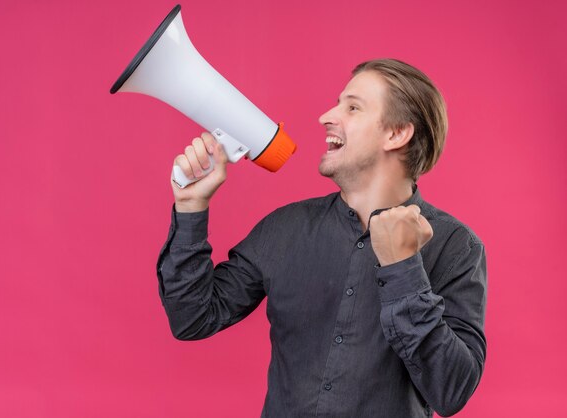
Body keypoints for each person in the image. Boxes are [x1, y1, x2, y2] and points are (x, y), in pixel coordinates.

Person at [157, 59, 487, 417]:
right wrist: (190, 207)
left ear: (396, 134)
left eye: (353, 107)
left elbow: (451, 391)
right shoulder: (286, 228)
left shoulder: (455, 246)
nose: (326, 116)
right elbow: (193, 318)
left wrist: (404, 268)